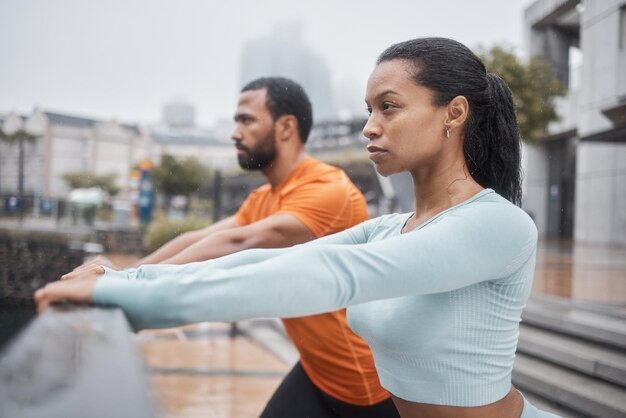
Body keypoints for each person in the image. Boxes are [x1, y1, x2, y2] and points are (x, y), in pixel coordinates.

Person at [35, 38, 561, 418]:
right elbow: (261, 258)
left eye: (389, 107)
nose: (369, 126)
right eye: (368, 109)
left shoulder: (498, 225)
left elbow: (333, 273)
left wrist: (126, 300)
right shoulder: (392, 227)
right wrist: (122, 281)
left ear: (454, 114)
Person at [70, 77, 400, 418]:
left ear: (286, 126)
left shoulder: (328, 189)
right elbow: (197, 238)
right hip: (318, 370)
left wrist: (125, 285)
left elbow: (239, 241)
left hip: (366, 386)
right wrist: (122, 275)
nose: (234, 132)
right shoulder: (265, 197)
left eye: (246, 119)